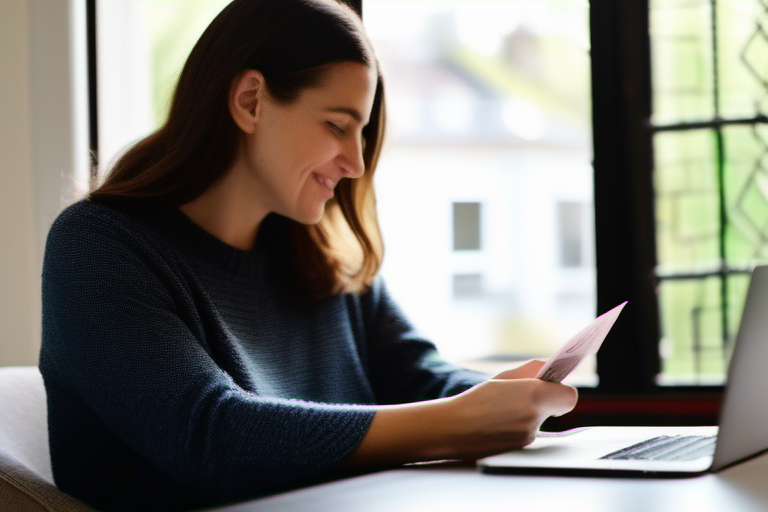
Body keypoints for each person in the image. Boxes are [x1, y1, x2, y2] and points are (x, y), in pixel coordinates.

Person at [39, 1, 578, 511]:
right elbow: (209, 437)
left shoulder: (325, 257)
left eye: (362, 133)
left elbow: (419, 378)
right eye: (337, 126)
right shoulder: (98, 248)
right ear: (250, 101)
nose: (356, 163)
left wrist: (502, 397)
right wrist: (453, 422)